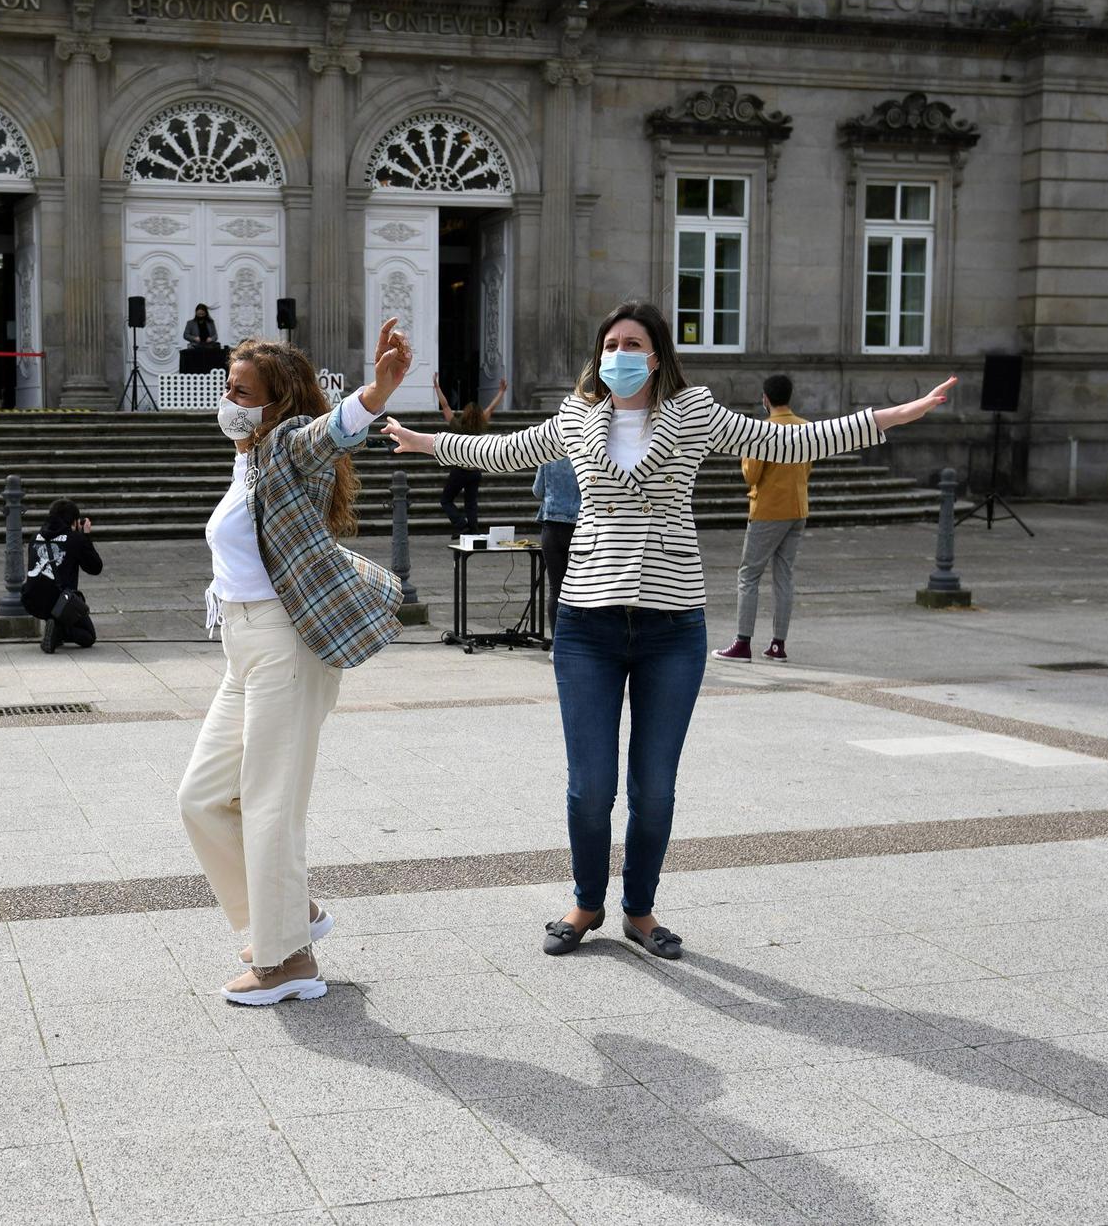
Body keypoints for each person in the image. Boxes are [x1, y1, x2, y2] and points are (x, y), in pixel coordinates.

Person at [383, 301, 953, 963]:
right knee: (590, 783)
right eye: (610, 344)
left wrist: (892, 416)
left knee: (654, 784)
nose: (619, 354)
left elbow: (788, 442)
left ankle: (641, 909)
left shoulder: (694, 412)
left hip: (671, 624)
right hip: (588, 623)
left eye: (633, 343)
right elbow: (504, 450)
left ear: (656, 357)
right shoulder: (576, 417)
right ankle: (586, 901)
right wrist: (426, 441)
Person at [178, 318, 410, 1005]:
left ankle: (286, 962)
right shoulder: (245, 455)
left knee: (270, 804)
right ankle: (288, 912)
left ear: (277, 402)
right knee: (200, 798)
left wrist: (374, 393)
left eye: (244, 391)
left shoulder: (284, 445)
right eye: (228, 387)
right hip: (241, 648)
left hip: (286, 643)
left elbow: (327, 432)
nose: (231, 400)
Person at [715, 374, 811, 664]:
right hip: (798, 507)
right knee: (784, 576)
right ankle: (778, 644)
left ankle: (742, 642)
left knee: (748, 575)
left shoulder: (762, 432)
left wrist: (745, 454)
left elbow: (751, 475)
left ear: (765, 399)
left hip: (769, 510)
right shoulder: (806, 427)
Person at [22, 499, 101, 654]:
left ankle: (54, 628)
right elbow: (95, 567)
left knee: (48, 587)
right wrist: (85, 536)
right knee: (88, 636)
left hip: (31, 600)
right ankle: (59, 629)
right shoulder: (75, 539)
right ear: (74, 521)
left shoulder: (35, 537)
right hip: (60, 603)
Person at [435, 374, 508, 536]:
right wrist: (501, 392)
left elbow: (445, 406)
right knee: (471, 503)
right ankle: (473, 529)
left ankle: (462, 525)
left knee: (446, 500)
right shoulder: (481, 424)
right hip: (475, 471)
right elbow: (491, 408)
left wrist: (437, 388)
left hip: (460, 470)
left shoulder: (458, 426)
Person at [531, 456, 580, 646]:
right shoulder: (586, 452)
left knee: (555, 589)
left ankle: (558, 644)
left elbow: (537, 491)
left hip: (552, 525)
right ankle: (579, 642)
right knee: (580, 589)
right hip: (580, 525)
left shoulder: (548, 455)